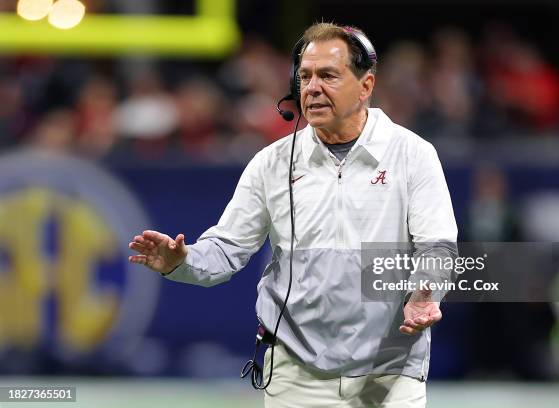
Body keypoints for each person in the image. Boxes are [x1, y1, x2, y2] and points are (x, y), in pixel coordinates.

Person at [128, 22, 457, 408]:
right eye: (305, 76)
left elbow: (437, 246)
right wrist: (181, 261)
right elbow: (226, 250)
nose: (312, 88)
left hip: (389, 374)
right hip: (295, 376)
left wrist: (425, 292)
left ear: (365, 86)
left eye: (328, 75)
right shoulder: (272, 162)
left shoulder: (413, 155)